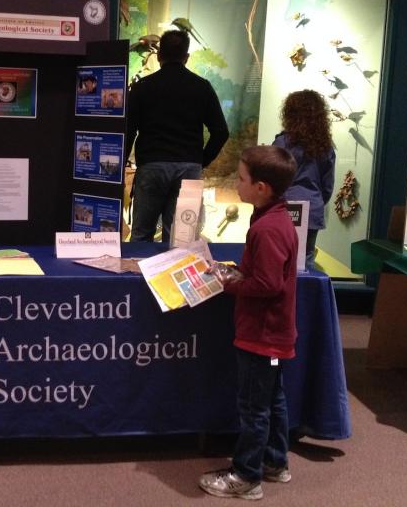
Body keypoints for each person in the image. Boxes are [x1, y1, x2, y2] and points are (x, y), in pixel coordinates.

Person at [199, 145, 299, 501]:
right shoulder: (273, 218)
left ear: (262, 187)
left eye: (241, 179)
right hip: (273, 341)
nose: (236, 184)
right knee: (271, 399)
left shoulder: (267, 228)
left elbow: (269, 284)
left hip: (262, 339)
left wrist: (229, 283)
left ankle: (246, 476)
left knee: (254, 407)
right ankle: (274, 462)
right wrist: (240, 272)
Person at [124, 29, 229, 243]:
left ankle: (138, 275)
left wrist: (119, 170)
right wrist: (201, 161)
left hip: (151, 167)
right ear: (186, 57)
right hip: (188, 169)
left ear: (159, 55)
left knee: (141, 235)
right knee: (181, 240)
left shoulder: (142, 87)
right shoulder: (202, 87)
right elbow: (221, 132)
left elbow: (128, 131)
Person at [272, 89, 335, 269]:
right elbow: (327, 186)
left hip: (283, 206)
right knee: (305, 259)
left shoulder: (282, 143)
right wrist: (315, 201)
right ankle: (306, 296)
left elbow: (272, 178)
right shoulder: (325, 146)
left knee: (279, 258)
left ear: (289, 114)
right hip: (311, 208)